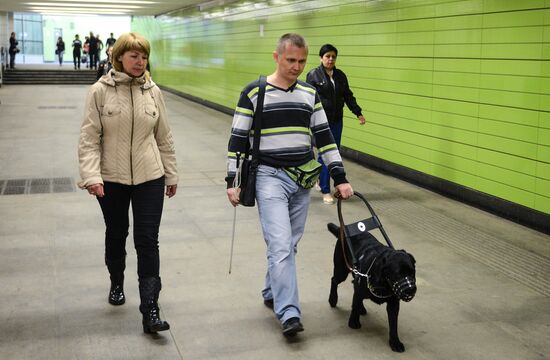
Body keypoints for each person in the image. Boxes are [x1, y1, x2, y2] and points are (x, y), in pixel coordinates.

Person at [225, 33, 354, 337]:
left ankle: (272, 290)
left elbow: (325, 140)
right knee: (282, 244)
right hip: (268, 177)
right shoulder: (254, 93)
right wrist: (232, 181)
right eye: (290, 60)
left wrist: (340, 177)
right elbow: (237, 140)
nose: (296, 67)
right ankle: (289, 312)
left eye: (301, 61)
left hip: (302, 180)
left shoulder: (310, 94)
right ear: (276, 57)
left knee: (288, 244)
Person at [78, 32, 178, 335]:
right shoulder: (99, 91)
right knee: (117, 232)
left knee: (148, 240)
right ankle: (116, 280)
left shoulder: (153, 91)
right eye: (134, 56)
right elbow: (88, 139)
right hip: (111, 178)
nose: (140, 61)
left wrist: (171, 174)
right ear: (119, 56)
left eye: (144, 56)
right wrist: (92, 176)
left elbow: (164, 137)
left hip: (150, 175)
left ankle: (150, 308)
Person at [306, 44, 365, 204]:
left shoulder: (340, 76)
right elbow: (308, 99)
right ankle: (326, 190)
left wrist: (358, 112)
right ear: (321, 58)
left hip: (337, 120)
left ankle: (319, 179)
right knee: (326, 153)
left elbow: (348, 96)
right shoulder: (313, 75)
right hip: (320, 122)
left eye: (333, 56)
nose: (330, 59)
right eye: (327, 56)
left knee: (333, 153)